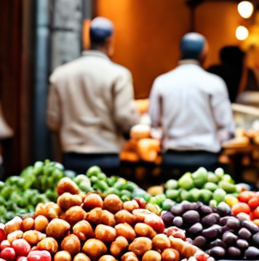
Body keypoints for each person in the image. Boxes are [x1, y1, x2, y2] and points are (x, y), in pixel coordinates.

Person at [47, 17, 138, 174]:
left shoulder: (61, 74)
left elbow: (53, 121)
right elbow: (123, 117)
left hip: (72, 157)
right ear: (110, 42)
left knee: (74, 198)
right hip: (106, 156)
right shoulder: (119, 75)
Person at [149, 33, 235, 177]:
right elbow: (227, 128)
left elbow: (153, 124)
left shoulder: (161, 82)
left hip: (171, 160)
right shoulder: (215, 83)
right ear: (204, 53)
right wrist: (216, 141)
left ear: (180, 52)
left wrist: (163, 139)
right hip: (207, 160)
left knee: (170, 199)